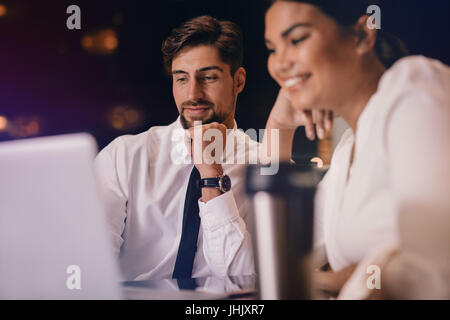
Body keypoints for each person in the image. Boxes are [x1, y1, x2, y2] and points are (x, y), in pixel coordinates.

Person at [263, 0, 450, 297]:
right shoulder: (346, 154)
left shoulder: (413, 86)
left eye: (297, 39)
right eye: (272, 48)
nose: (280, 63)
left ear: (363, 35)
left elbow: (436, 266)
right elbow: (276, 255)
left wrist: (341, 279)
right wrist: (278, 128)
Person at [94, 15, 259, 281]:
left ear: (238, 81)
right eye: (181, 79)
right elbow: (90, 266)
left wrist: (210, 171)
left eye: (208, 77)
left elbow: (248, 280)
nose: (193, 93)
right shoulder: (123, 157)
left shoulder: (267, 164)